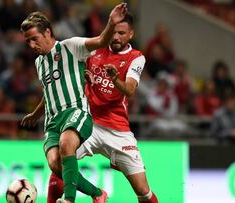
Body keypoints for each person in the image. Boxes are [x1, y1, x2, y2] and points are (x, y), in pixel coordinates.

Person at [44, 13, 159, 203]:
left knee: (143, 192)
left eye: (122, 33)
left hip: (117, 130)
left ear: (131, 34)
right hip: (88, 122)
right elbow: (74, 74)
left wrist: (115, 80)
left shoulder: (136, 58)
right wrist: (84, 76)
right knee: (58, 165)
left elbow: (129, 89)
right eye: (113, 32)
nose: (116, 37)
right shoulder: (95, 50)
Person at [20, 3, 128, 203]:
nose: (31, 45)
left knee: (66, 144)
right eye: (28, 41)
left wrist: (112, 23)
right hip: (52, 121)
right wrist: (35, 114)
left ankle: (69, 200)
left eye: (34, 39)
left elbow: (101, 40)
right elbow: (50, 91)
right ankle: (98, 194)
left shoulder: (71, 46)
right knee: (55, 164)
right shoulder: (39, 63)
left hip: (76, 112)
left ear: (47, 32)